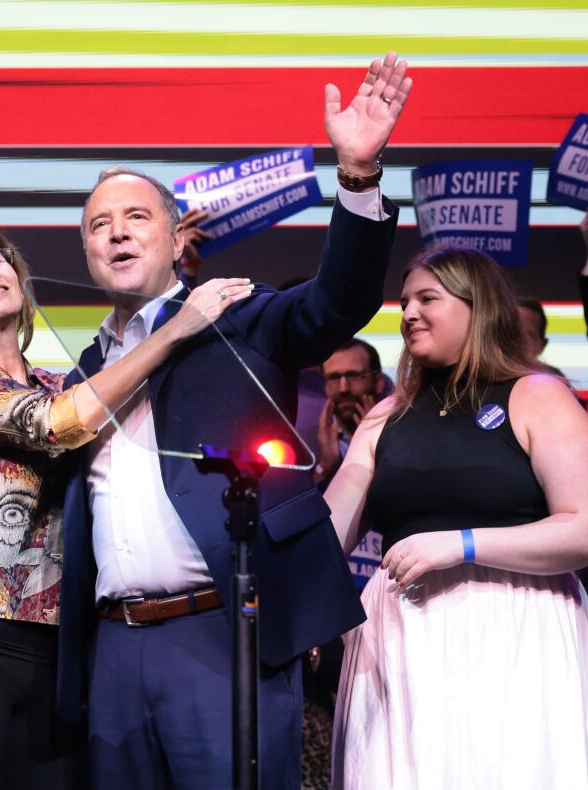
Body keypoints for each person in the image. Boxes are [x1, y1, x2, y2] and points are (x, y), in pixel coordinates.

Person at [56, 51, 412, 789]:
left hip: (223, 630)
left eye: (135, 218)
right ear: (87, 251)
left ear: (176, 237)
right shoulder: (84, 377)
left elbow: (337, 303)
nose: (116, 233)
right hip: (114, 651)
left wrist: (356, 178)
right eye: (99, 225)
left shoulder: (240, 318)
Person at [0, 221, 251, 789]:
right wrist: (172, 331)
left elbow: (113, 409)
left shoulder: (58, 380)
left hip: (58, 649)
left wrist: (165, 276)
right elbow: (53, 424)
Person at [325, 247, 588, 788]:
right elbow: (327, 534)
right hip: (402, 640)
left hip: (517, 629)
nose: (409, 314)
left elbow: (583, 525)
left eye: (428, 299)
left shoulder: (538, 396)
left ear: (479, 308)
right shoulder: (386, 416)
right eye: (404, 303)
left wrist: (463, 544)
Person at [313, 338, 389, 486]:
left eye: (354, 376)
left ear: (378, 382)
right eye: (333, 378)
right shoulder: (310, 440)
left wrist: (373, 449)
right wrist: (325, 466)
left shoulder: (401, 432)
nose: (343, 388)